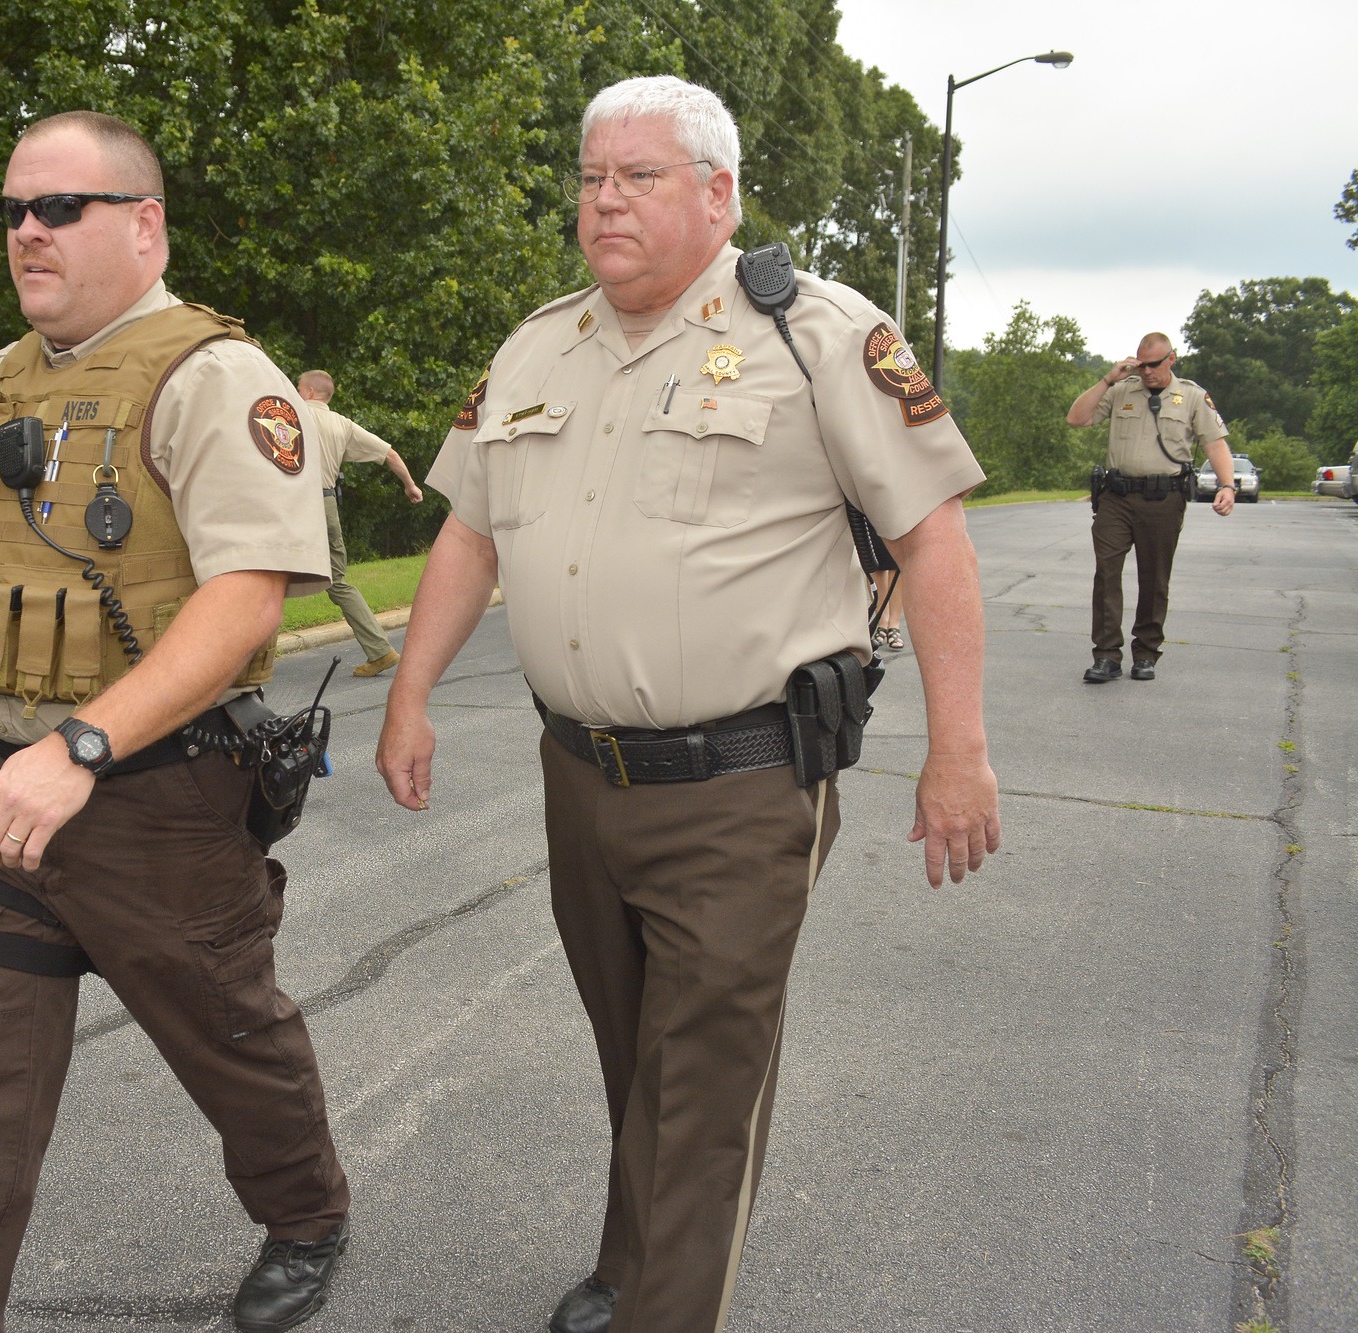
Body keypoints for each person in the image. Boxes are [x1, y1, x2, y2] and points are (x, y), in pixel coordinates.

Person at [375, 77, 1000, 1333]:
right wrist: (409, 696)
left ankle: (668, 1305)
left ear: (716, 194)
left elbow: (931, 539)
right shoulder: (535, 344)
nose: (603, 201)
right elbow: (467, 534)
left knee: (704, 1084)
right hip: (579, 777)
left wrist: (958, 751)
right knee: (636, 1052)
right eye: (591, 176)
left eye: (639, 176)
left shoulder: (813, 333)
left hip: (743, 781)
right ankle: (630, 1263)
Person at [0, 110, 350, 1333]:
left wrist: (81, 746)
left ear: (143, 227)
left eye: (58, 209)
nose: (25, 233)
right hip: (8, 785)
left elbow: (247, 594)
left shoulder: (215, 377)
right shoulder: (1, 378)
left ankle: (305, 1214)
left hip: (161, 796)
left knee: (229, 1041)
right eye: (11, 212)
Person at [1064, 334, 1234, 683]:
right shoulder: (1121, 389)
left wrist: (1227, 485)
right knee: (1107, 571)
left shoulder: (1190, 396)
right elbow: (1077, 419)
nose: (1147, 372)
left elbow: (1214, 444)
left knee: (1154, 577)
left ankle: (1146, 653)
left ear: (1172, 359)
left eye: (1154, 365)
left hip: (1163, 498)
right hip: (1117, 497)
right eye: (1141, 365)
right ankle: (1107, 655)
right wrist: (1107, 379)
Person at [294, 369, 424, 676]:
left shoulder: (291, 413)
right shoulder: (342, 424)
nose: (296, 392)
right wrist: (410, 485)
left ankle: (245, 666)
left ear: (310, 392)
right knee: (338, 583)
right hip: (326, 507)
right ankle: (380, 651)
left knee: (268, 576)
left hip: (295, 505)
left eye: (298, 388)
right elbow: (389, 453)